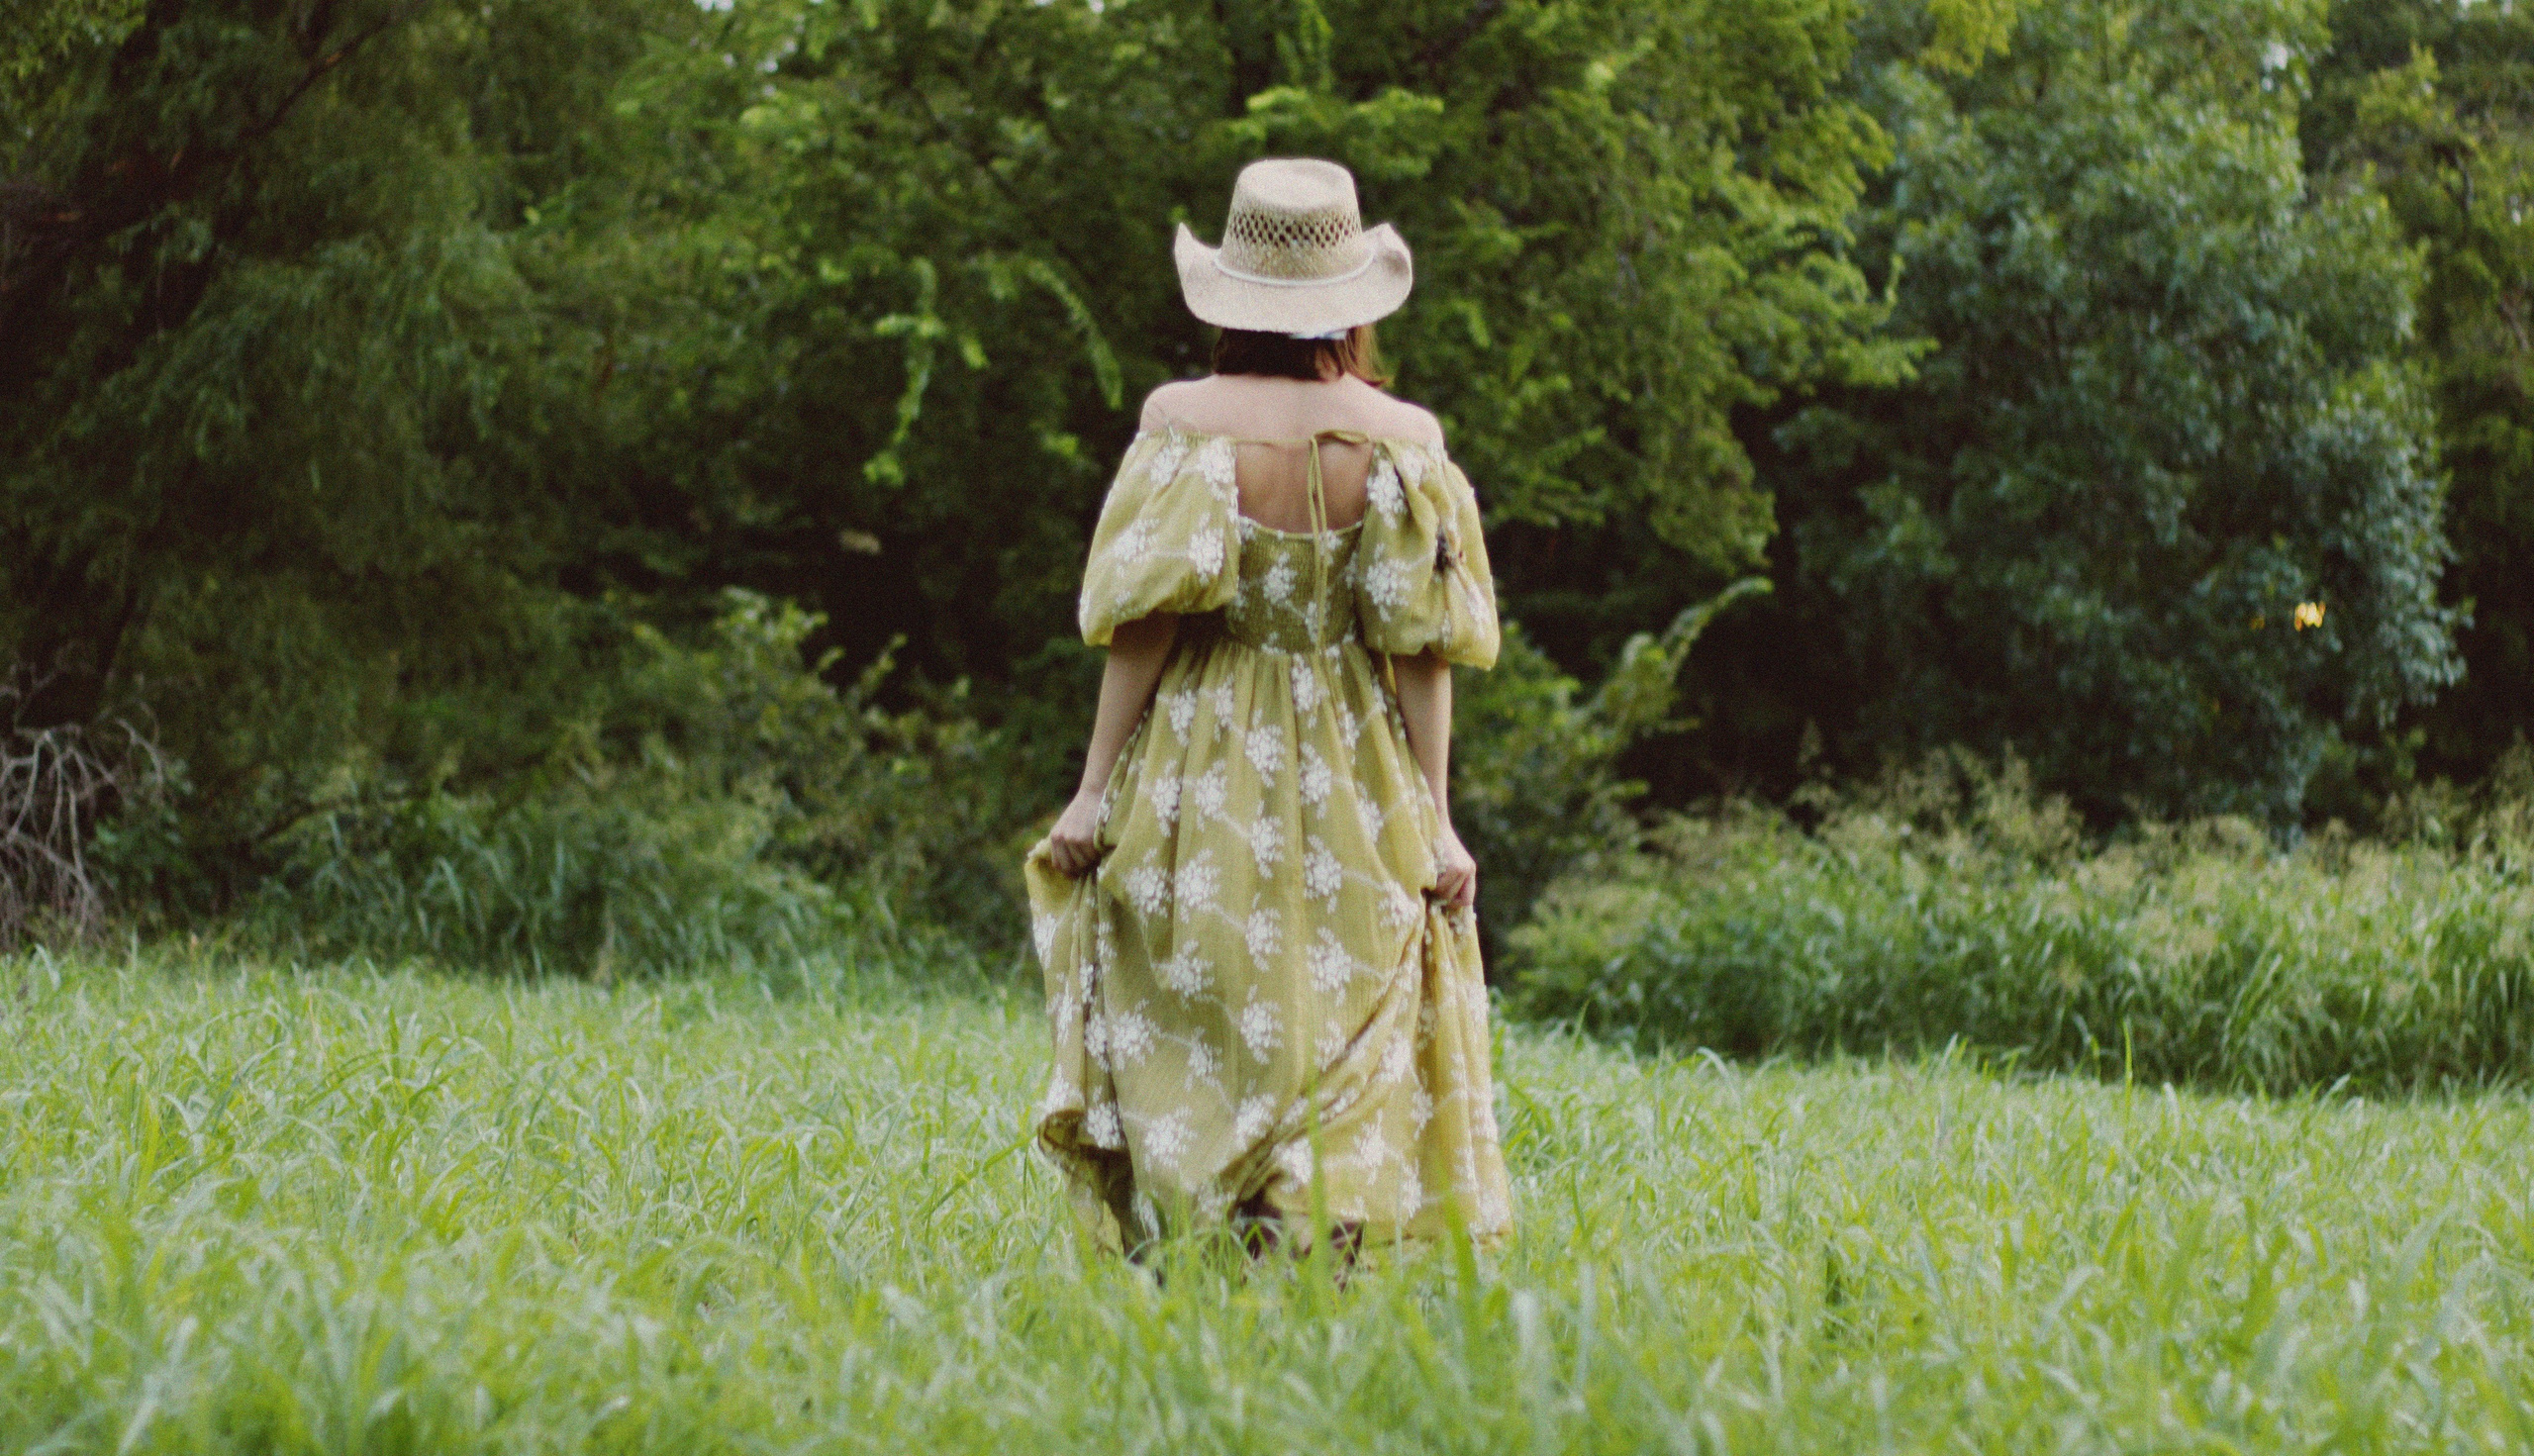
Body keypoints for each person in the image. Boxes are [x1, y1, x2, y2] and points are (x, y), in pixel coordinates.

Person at [1025, 157, 1511, 1259]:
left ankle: (1212, 1234)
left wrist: (1095, 789)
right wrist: (1435, 817)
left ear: (1234, 292)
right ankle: (1314, 1237)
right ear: (1351, 296)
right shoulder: (1402, 437)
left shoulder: (1182, 422)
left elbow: (1148, 622)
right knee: (1340, 999)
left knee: (1211, 986)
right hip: (1355, 759)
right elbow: (1418, 645)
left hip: (1205, 749)